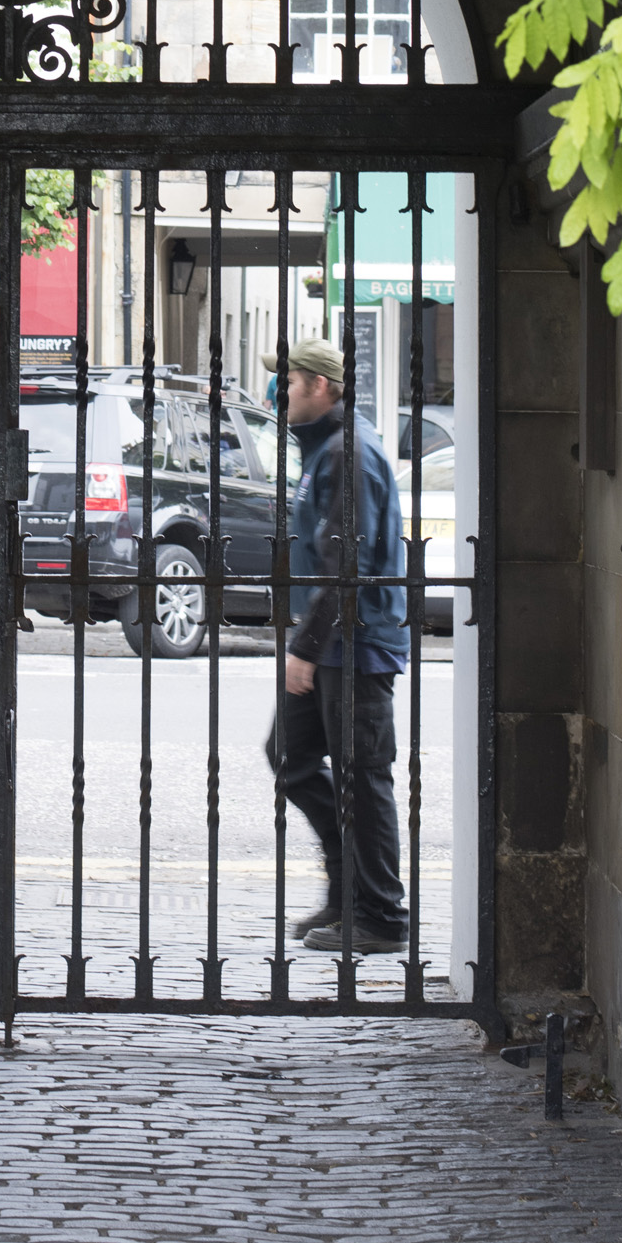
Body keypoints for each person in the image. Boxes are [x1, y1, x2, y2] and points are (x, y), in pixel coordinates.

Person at [270, 335, 412, 952]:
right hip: (329, 641)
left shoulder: (350, 453)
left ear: (322, 386)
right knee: (290, 757)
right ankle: (347, 889)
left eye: (292, 381)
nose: (281, 392)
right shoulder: (327, 448)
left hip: (355, 643)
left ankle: (381, 916)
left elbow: (345, 561)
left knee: (362, 776)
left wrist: (303, 645)